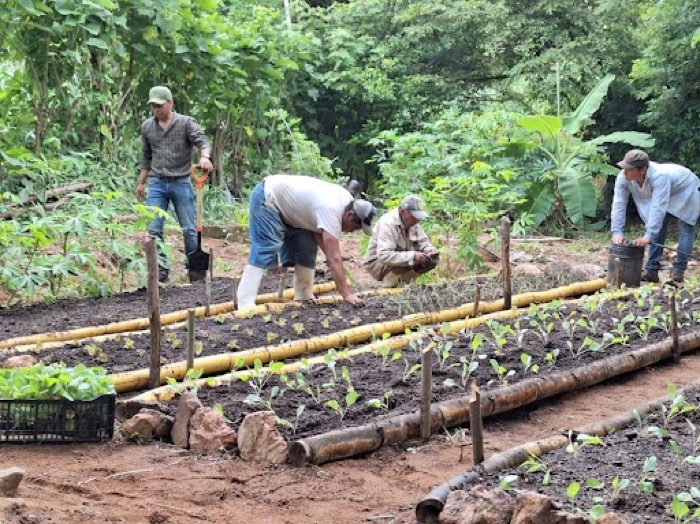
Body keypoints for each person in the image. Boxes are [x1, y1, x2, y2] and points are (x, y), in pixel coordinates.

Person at [237, 174, 376, 308]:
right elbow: (334, 258)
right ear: (349, 215)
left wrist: (333, 260)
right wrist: (346, 295)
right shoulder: (331, 211)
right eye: (355, 227)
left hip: (294, 210)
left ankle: (303, 296)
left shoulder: (345, 202)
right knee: (266, 247)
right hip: (268, 197)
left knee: (307, 249)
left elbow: (325, 245)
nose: (352, 231)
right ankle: (245, 303)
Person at [135, 86, 214, 283]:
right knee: (154, 229)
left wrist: (204, 158)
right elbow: (146, 157)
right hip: (157, 184)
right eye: (154, 106)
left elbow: (202, 141)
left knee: (188, 228)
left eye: (160, 105)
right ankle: (160, 269)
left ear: (170, 104)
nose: (157, 109)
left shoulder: (186, 123)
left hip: (181, 182)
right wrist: (141, 182)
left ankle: (194, 268)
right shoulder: (147, 127)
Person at [611, 149, 700, 282]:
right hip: (663, 191)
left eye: (629, 169)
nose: (624, 172)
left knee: (685, 228)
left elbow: (658, 207)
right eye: (624, 168)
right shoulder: (623, 178)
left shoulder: (659, 177)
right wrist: (617, 231)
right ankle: (651, 270)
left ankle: (679, 270)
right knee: (658, 227)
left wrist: (648, 236)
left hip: (685, 188)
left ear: (642, 170)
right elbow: (619, 203)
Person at [363, 194, 440, 288]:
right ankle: (390, 284)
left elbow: (423, 243)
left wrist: (430, 250)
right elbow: (383, 255)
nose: (417, 220)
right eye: (414, 216)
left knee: (432, 260)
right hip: (377, 263)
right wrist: (413, 256)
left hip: (400, 256)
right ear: (402, 212)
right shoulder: (388, 223)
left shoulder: (413, 223)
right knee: (409, 259)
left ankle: (404, 282)